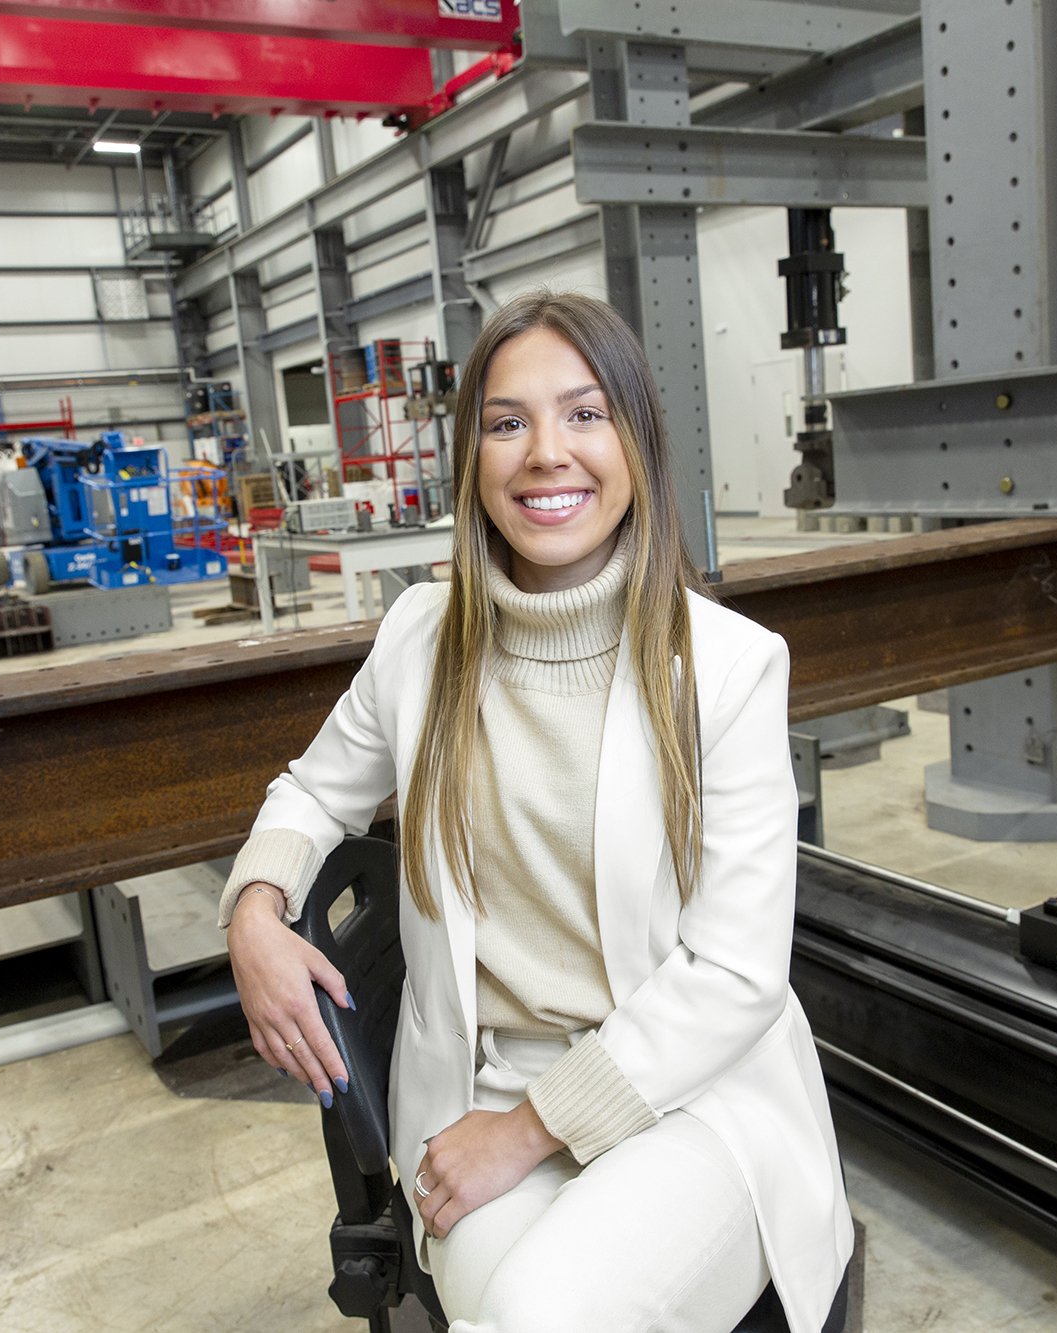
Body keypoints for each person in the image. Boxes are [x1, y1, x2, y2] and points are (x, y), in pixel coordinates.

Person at [217, 290, 850, 1333]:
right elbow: (313, 787)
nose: (545, 453)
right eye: (506, 422)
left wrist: (527, 1130)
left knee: (535, 1316)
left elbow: (736, 973)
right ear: (471, 458)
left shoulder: (726, 667)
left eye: (584, 414)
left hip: (687, 1095)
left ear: (636, 444)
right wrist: (252, 911)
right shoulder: (419, 639)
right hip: (474, 1088)